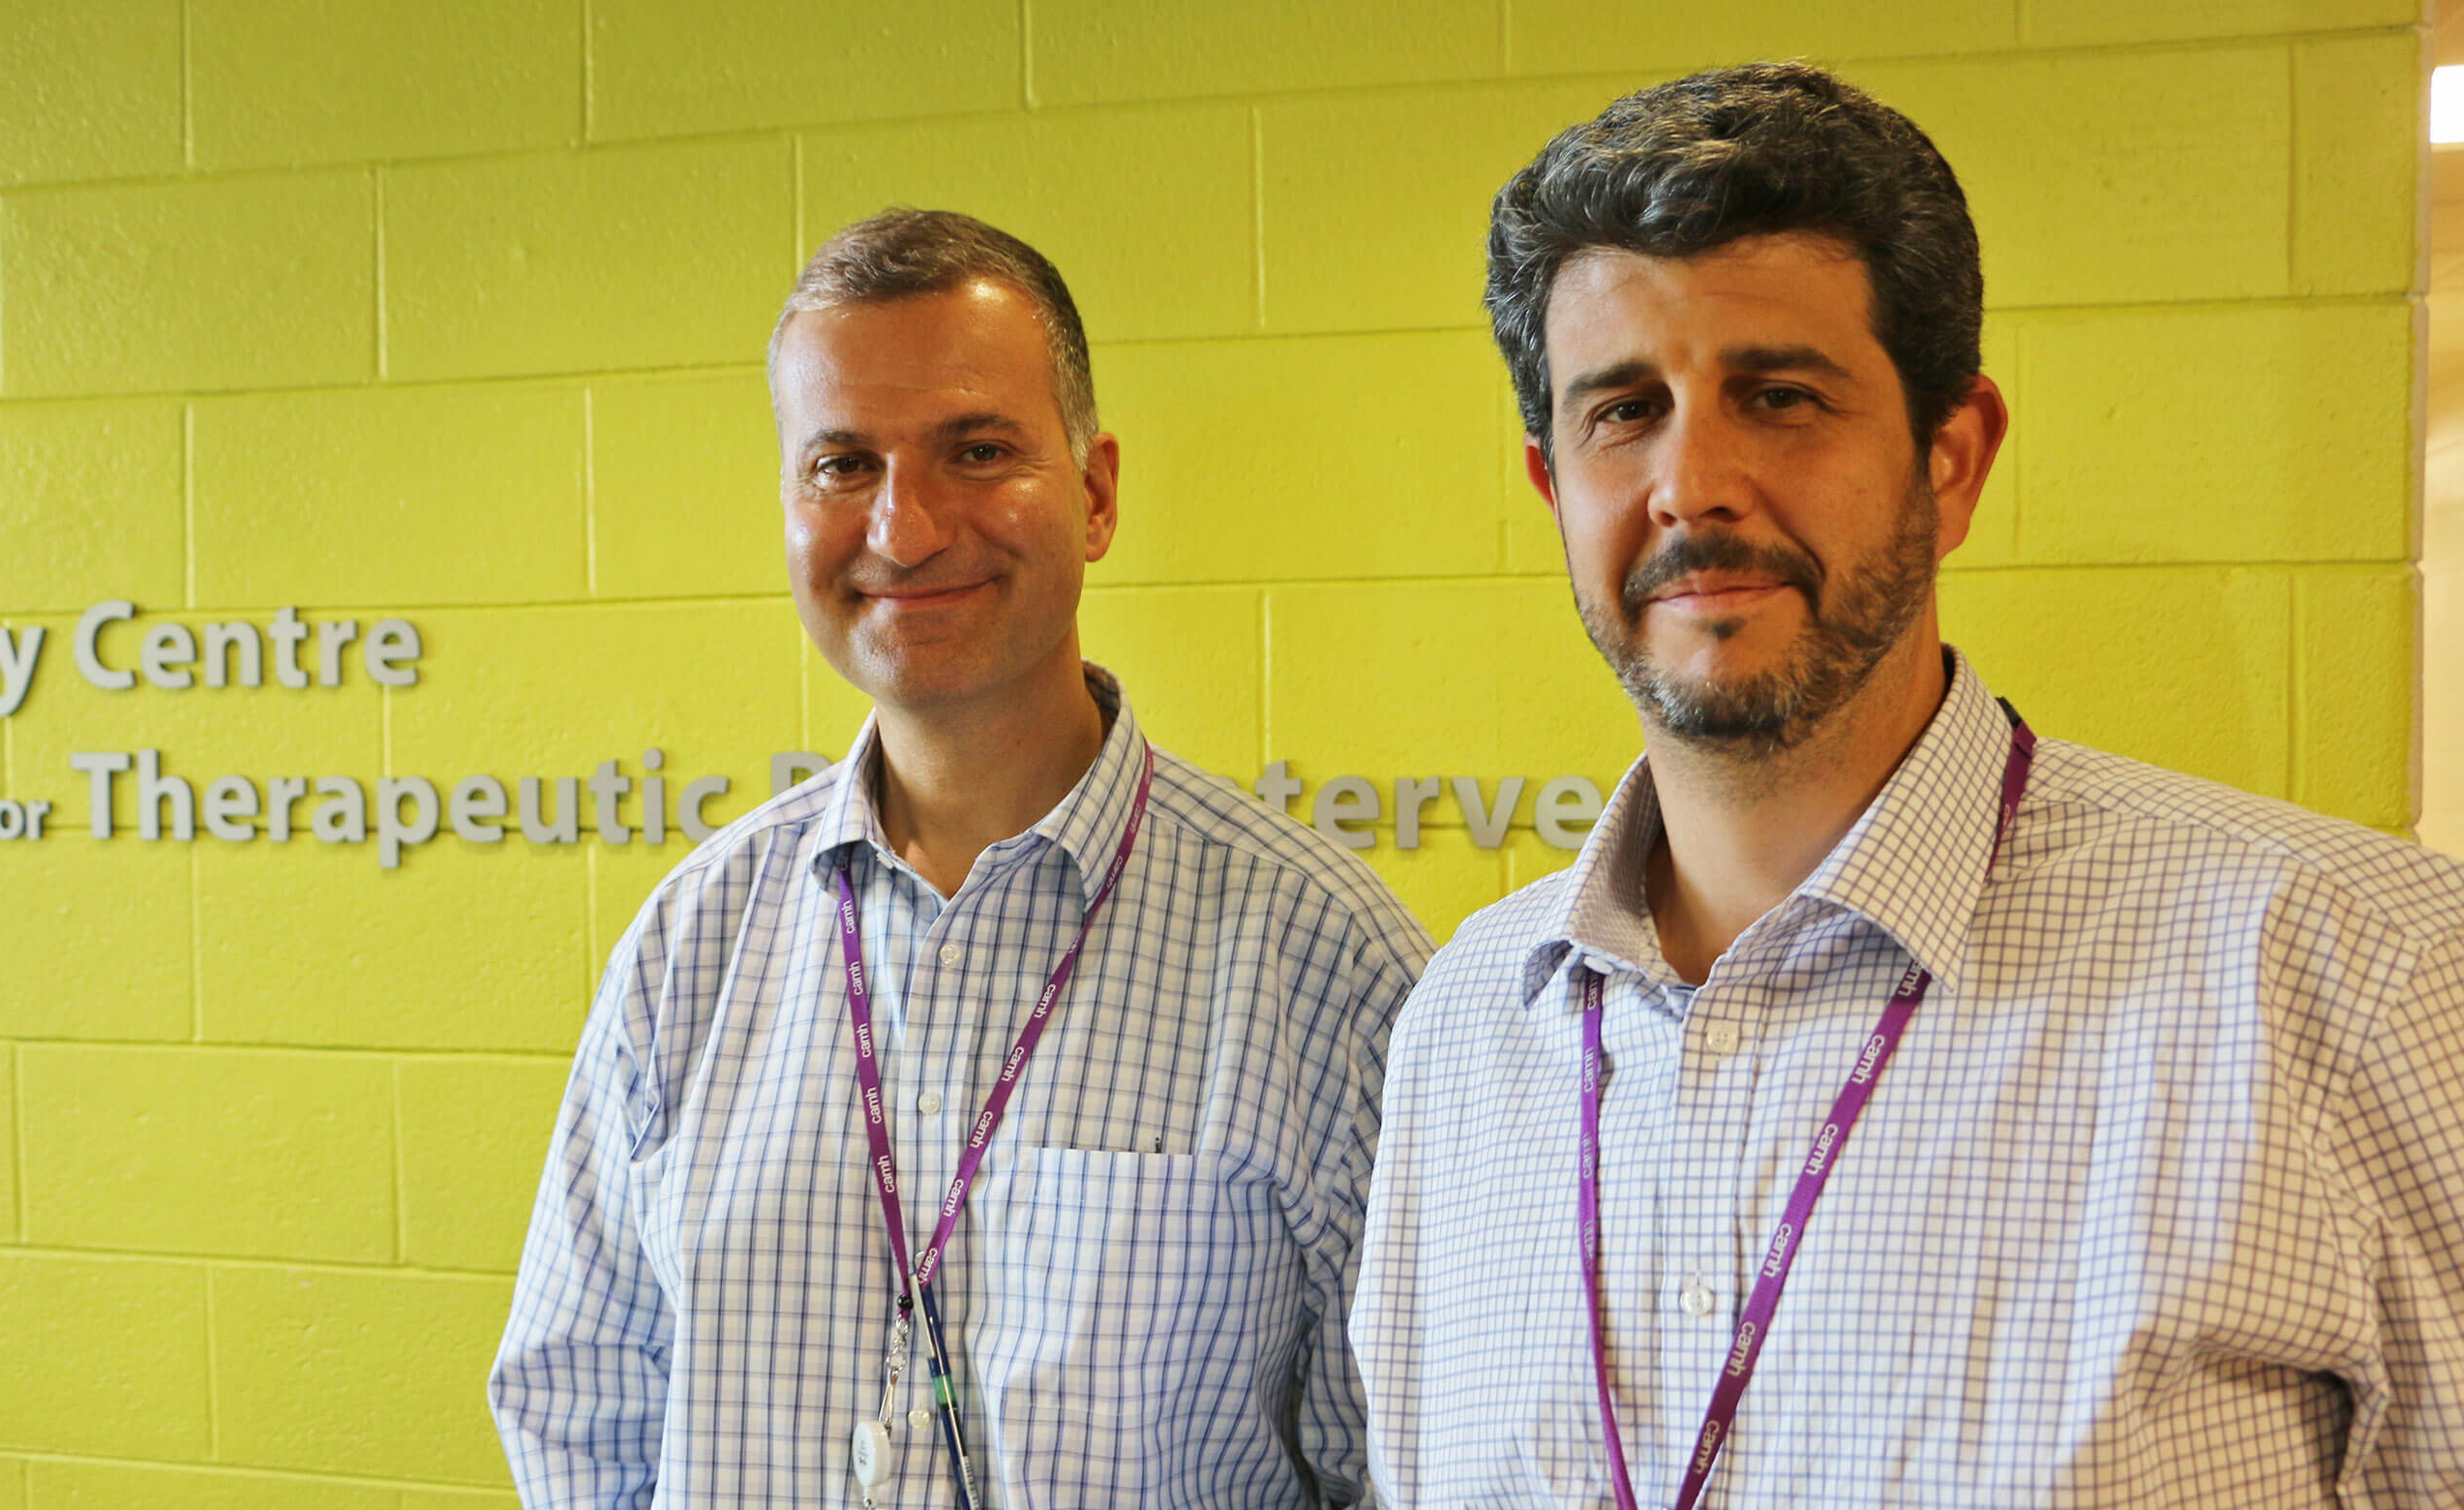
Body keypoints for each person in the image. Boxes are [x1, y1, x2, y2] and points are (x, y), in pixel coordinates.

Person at [1350, 62, 2464, 1508]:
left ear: (1952, 456)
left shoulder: (2355, 974)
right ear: (1552, 487)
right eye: (1623, 410)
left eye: (1781, 396)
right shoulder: (1463, 1033)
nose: (1695, 484)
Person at [492, 208, 1432, 1508]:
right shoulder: (691, 940)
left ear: (1095, 495)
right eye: (841, 465)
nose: (905, 527)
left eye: (975, 450)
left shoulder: (1321, 956)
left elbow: (1405, 1464)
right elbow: (577, 1401)